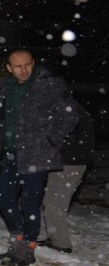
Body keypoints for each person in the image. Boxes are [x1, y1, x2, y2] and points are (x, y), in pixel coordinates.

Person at [0, 48, 78, 266]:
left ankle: (28, 248)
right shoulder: (5, 88)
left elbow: (70, 115)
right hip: (10, 154)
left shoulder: (49, 86)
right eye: (18, 66)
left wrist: (49, 142)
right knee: (5, 201)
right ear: (9, 68)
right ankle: (17, 240)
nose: (23, 70)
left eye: (27, 64)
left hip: (36, 155)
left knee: (30, 202)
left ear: (33, 63)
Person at [40, 101, 95, 254]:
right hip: (70, 162)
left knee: (55, 203)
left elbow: (59, 139)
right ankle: (55, 237)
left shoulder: (66, 110)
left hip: (68, 163)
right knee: (52, 202)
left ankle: (61, 243)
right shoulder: (72, 108)